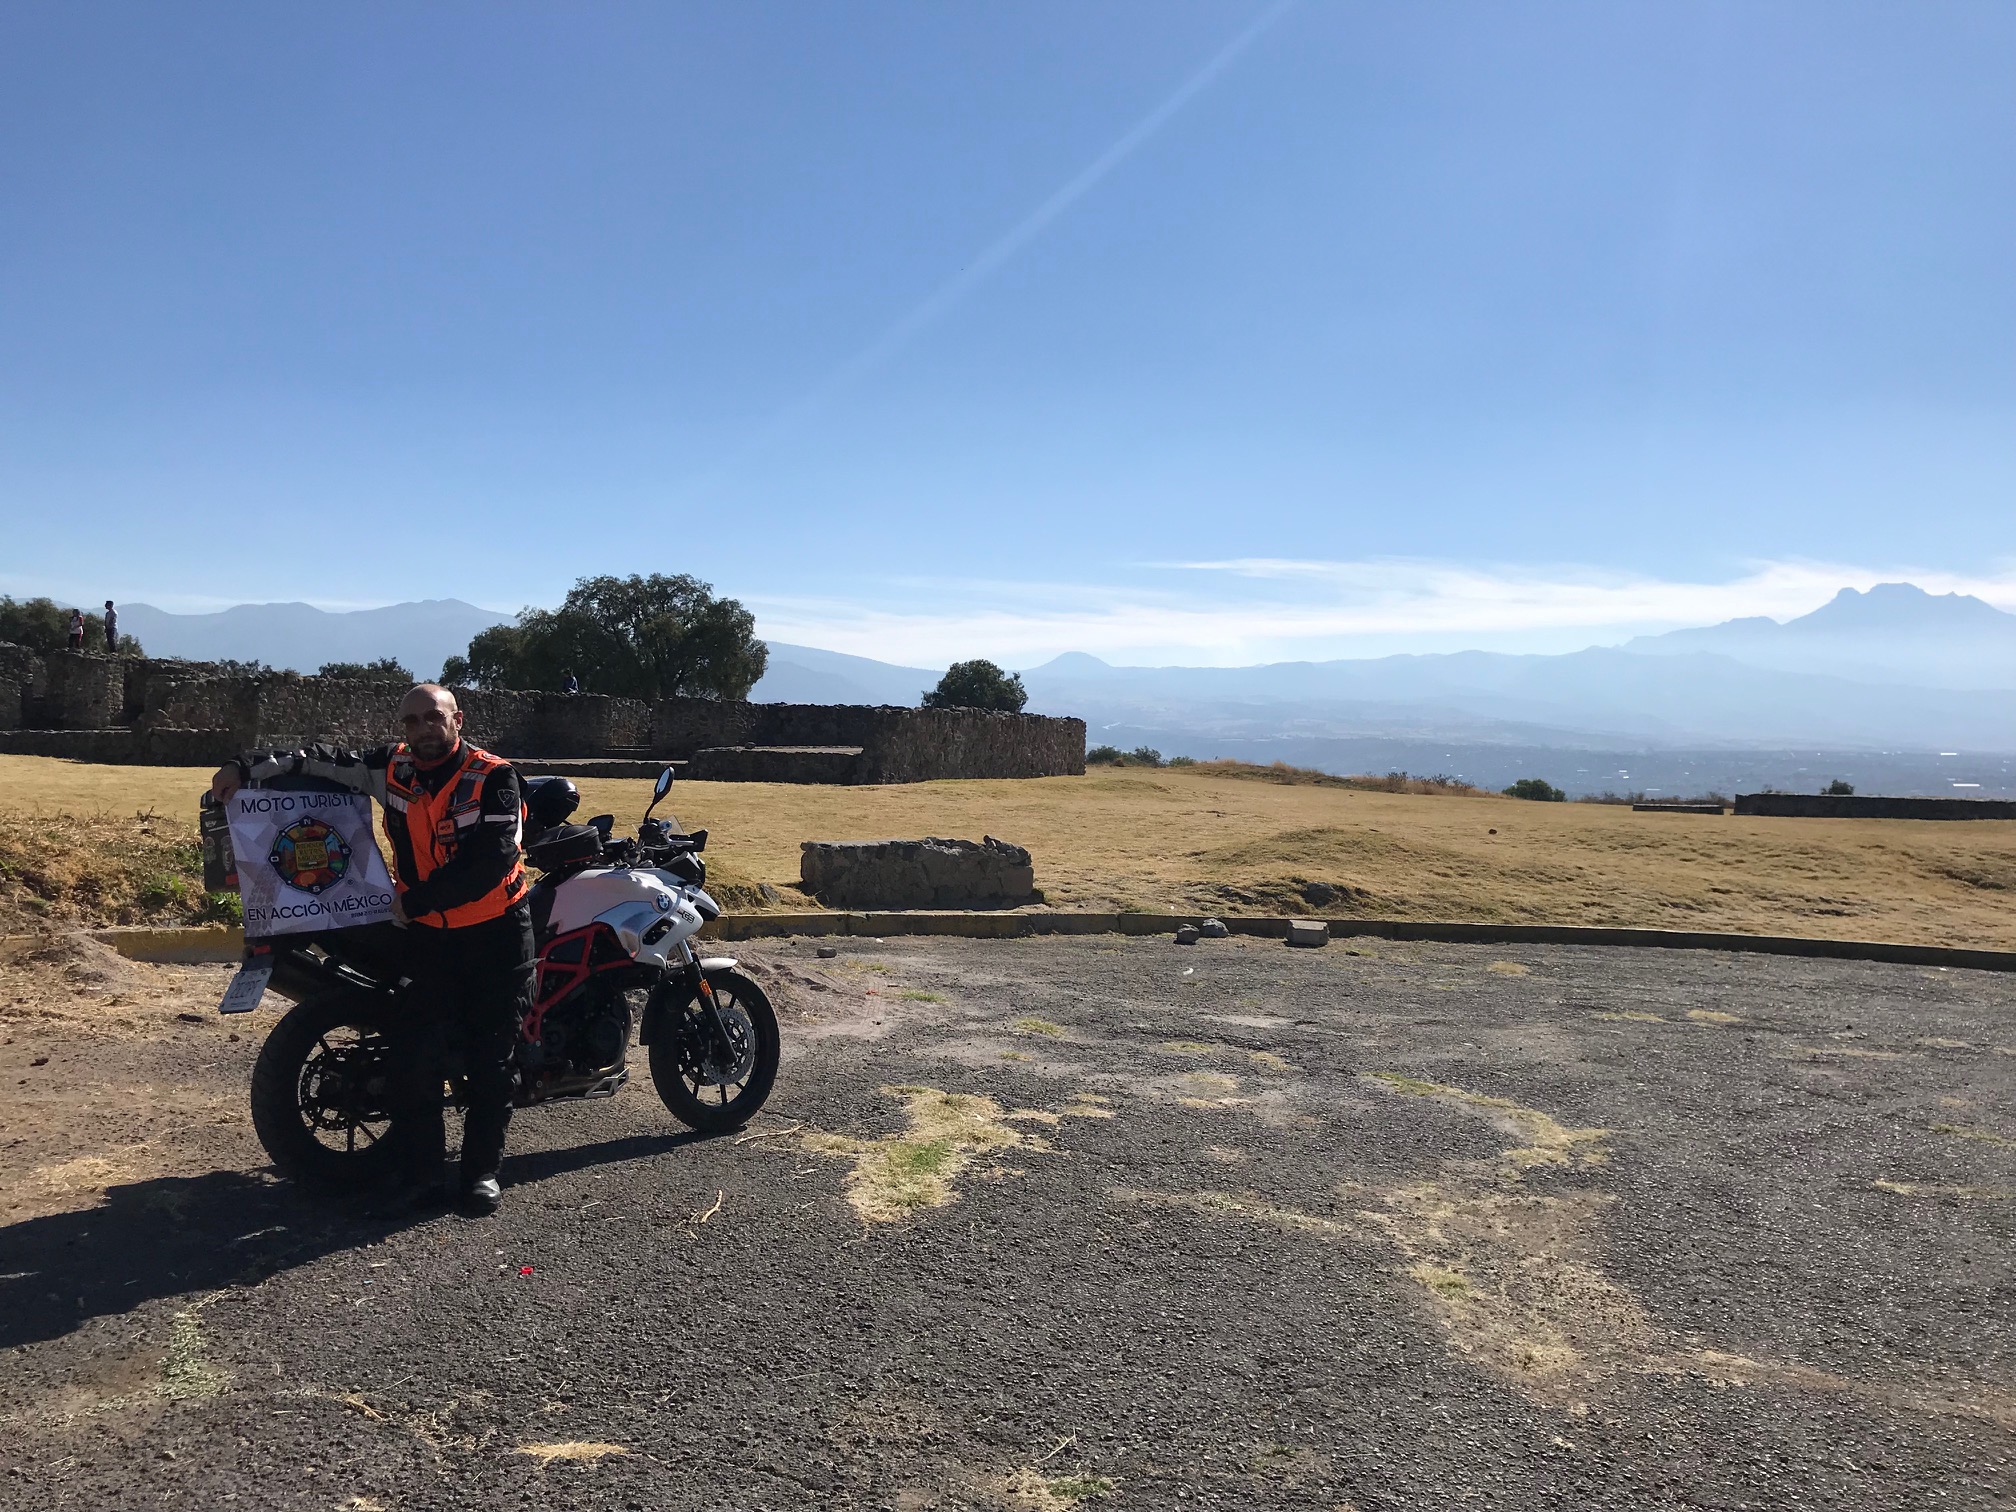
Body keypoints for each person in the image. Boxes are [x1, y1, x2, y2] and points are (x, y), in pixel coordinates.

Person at [208, 683, 533, 1216]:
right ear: (402, 729)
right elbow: (320, 761)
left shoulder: (493, 777)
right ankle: (425, 1175)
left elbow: (494, 859)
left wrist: (419, 900)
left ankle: (479, 1175)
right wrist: (242, 768)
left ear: (458, 721)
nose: (424, 728)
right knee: (415, 1055)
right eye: (412, 721)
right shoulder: (393, 768)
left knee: (492, 1060)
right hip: (429, 934)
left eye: (434, 717)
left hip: (495, 931)